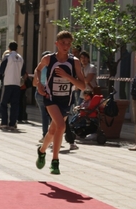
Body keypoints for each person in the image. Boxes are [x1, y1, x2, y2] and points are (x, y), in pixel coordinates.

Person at [34, 30, 86, 174]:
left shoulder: (74, 62)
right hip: (50, 98)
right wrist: (39, 84)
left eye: (68, 43)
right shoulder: (48, 59)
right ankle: (55, 161)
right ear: (57, 44)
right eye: (63, 43)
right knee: (61, 126)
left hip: (66, 100)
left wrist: (67, 76)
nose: (66, 46)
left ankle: (42, 150)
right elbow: (37, 70)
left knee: (53, 130)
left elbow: (82, 86)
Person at [0, 42, 25, 130]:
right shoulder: (20, 58)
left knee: (3, 103)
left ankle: (4, 122)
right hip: (17, 83)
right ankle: (13, 123)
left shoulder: (7, 57)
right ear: (17, 48)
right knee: (15, 104)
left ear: (9, 48)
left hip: (8, 82)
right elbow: (23, 72)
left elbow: (1, 70)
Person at [80, 51, 100, 141]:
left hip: (91, 93)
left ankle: (94, 132)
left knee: (92, 113)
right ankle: (82, 131)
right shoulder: (81, 68)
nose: (83, 59)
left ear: (88, 58)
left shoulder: (91, 67)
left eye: (85, 57)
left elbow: (87, 80)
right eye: (81, 58)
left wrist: (79, 80)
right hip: (82, 92)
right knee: (82, 112)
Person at [33, 51, 52, 143]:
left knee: (44, 116)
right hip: (50, 93)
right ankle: (53, 136)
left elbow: (34, 83)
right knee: (53, 116)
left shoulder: (39, 69)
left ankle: (45, 135)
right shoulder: (53, 67)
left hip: (40, 92)